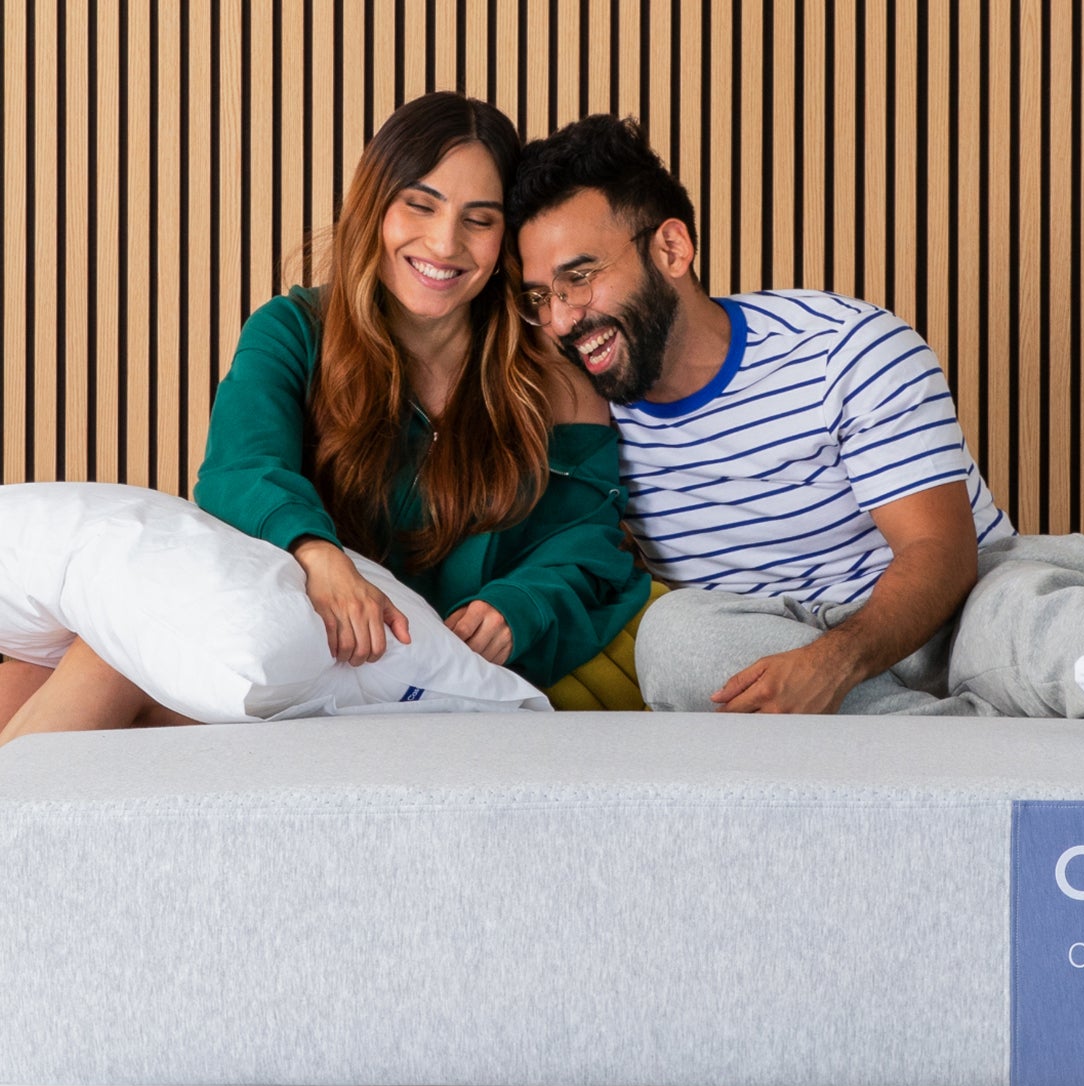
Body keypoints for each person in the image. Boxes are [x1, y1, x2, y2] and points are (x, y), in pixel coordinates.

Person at [507, 114, 1084, 743]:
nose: (564, 318)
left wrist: (836, 664)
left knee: (1029, 611)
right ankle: (964, 741)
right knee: (679, 641)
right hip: (780, 638)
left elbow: (941, 551)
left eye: (581, 275)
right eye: (540, 297)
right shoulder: (585, 409)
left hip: (954, 600)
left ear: (671, 249)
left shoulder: (844, 346)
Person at [0, 93, 651, 748]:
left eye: (477, 220)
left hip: (452, 665)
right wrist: (316, 552)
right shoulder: (293, 329)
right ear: (375, 204)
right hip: (315, 637)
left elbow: (588, 538)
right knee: (47, 667)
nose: (444, 243)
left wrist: (522, 605)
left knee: (107, 657)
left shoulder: (544, 364)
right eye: (419, 205)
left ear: (503, 238)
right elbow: (239, 468)